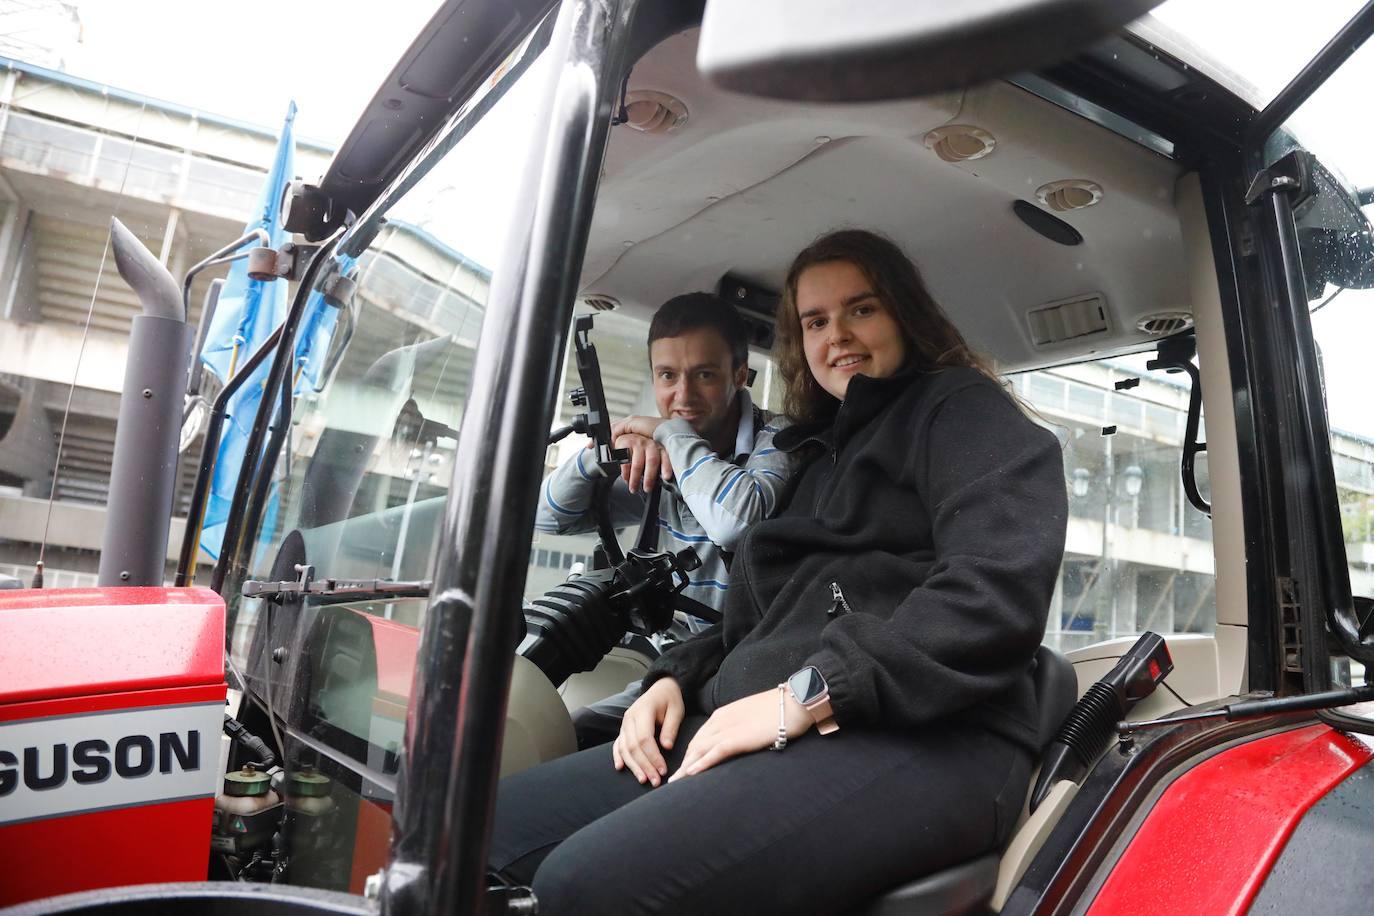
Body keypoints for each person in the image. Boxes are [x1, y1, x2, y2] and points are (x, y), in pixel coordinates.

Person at [492, 229, 1067, 915]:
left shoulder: (962, 411)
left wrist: (809, 693)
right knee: (479, 827)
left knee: (581, 887)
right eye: (816, 321)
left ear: (904, 314)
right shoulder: (814, 452)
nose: (838, 336)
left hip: (934, 732)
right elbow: (762, 614)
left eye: (861, 309)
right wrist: (675, 678)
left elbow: (993, 592)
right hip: (777, 715)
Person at [535, 291, 794, 622]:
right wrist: (605, 452)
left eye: (704, 374)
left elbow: (735, 525)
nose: (683, 394)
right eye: (668, 375)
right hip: (673, 654)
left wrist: (671, 433)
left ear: (740, 376)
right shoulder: (652, 456)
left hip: (752, 659)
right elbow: (547, 519)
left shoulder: (780, 436)